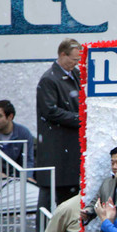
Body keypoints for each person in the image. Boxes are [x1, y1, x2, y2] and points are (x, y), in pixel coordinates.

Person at [35, 38, 83, 211]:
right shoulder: (49, 79)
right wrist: (80, 119)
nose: (76, 63)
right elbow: (50, 111)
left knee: (70, 196)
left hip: (69, 148)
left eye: (79, 60)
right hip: (57, 149)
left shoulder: (76, 74)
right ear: (62, 55)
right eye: (73, 59)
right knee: (50, 194)